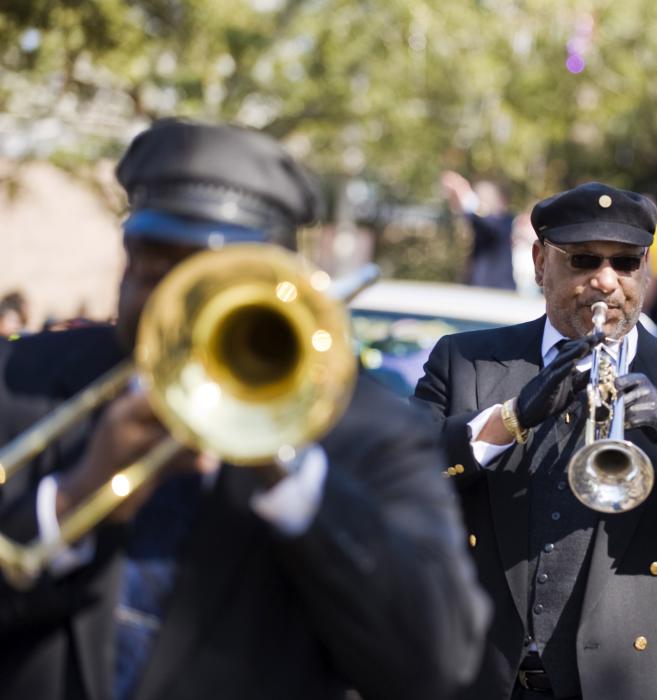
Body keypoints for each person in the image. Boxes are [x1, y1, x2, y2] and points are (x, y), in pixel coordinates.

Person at [0, 120, 490, 700]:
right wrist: (70, 499)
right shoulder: (18, 380)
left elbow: (436, 664)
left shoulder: (372, 432)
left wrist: (293, 481)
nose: (171, 309)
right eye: (153, 271)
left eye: (207, 283)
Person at [413, 182, 657, 700]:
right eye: (584, 260)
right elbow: (401, 487)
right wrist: (512, 416)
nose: (606, 283)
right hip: (485, 677)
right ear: (541, 261)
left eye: (626, 263)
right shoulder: (464, 362)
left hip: (642, 682)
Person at [441, 170, 517, 290]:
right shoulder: (480, 223)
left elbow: (487, 223)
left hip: (499, 294)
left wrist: (466, 195)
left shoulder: (505, 222)